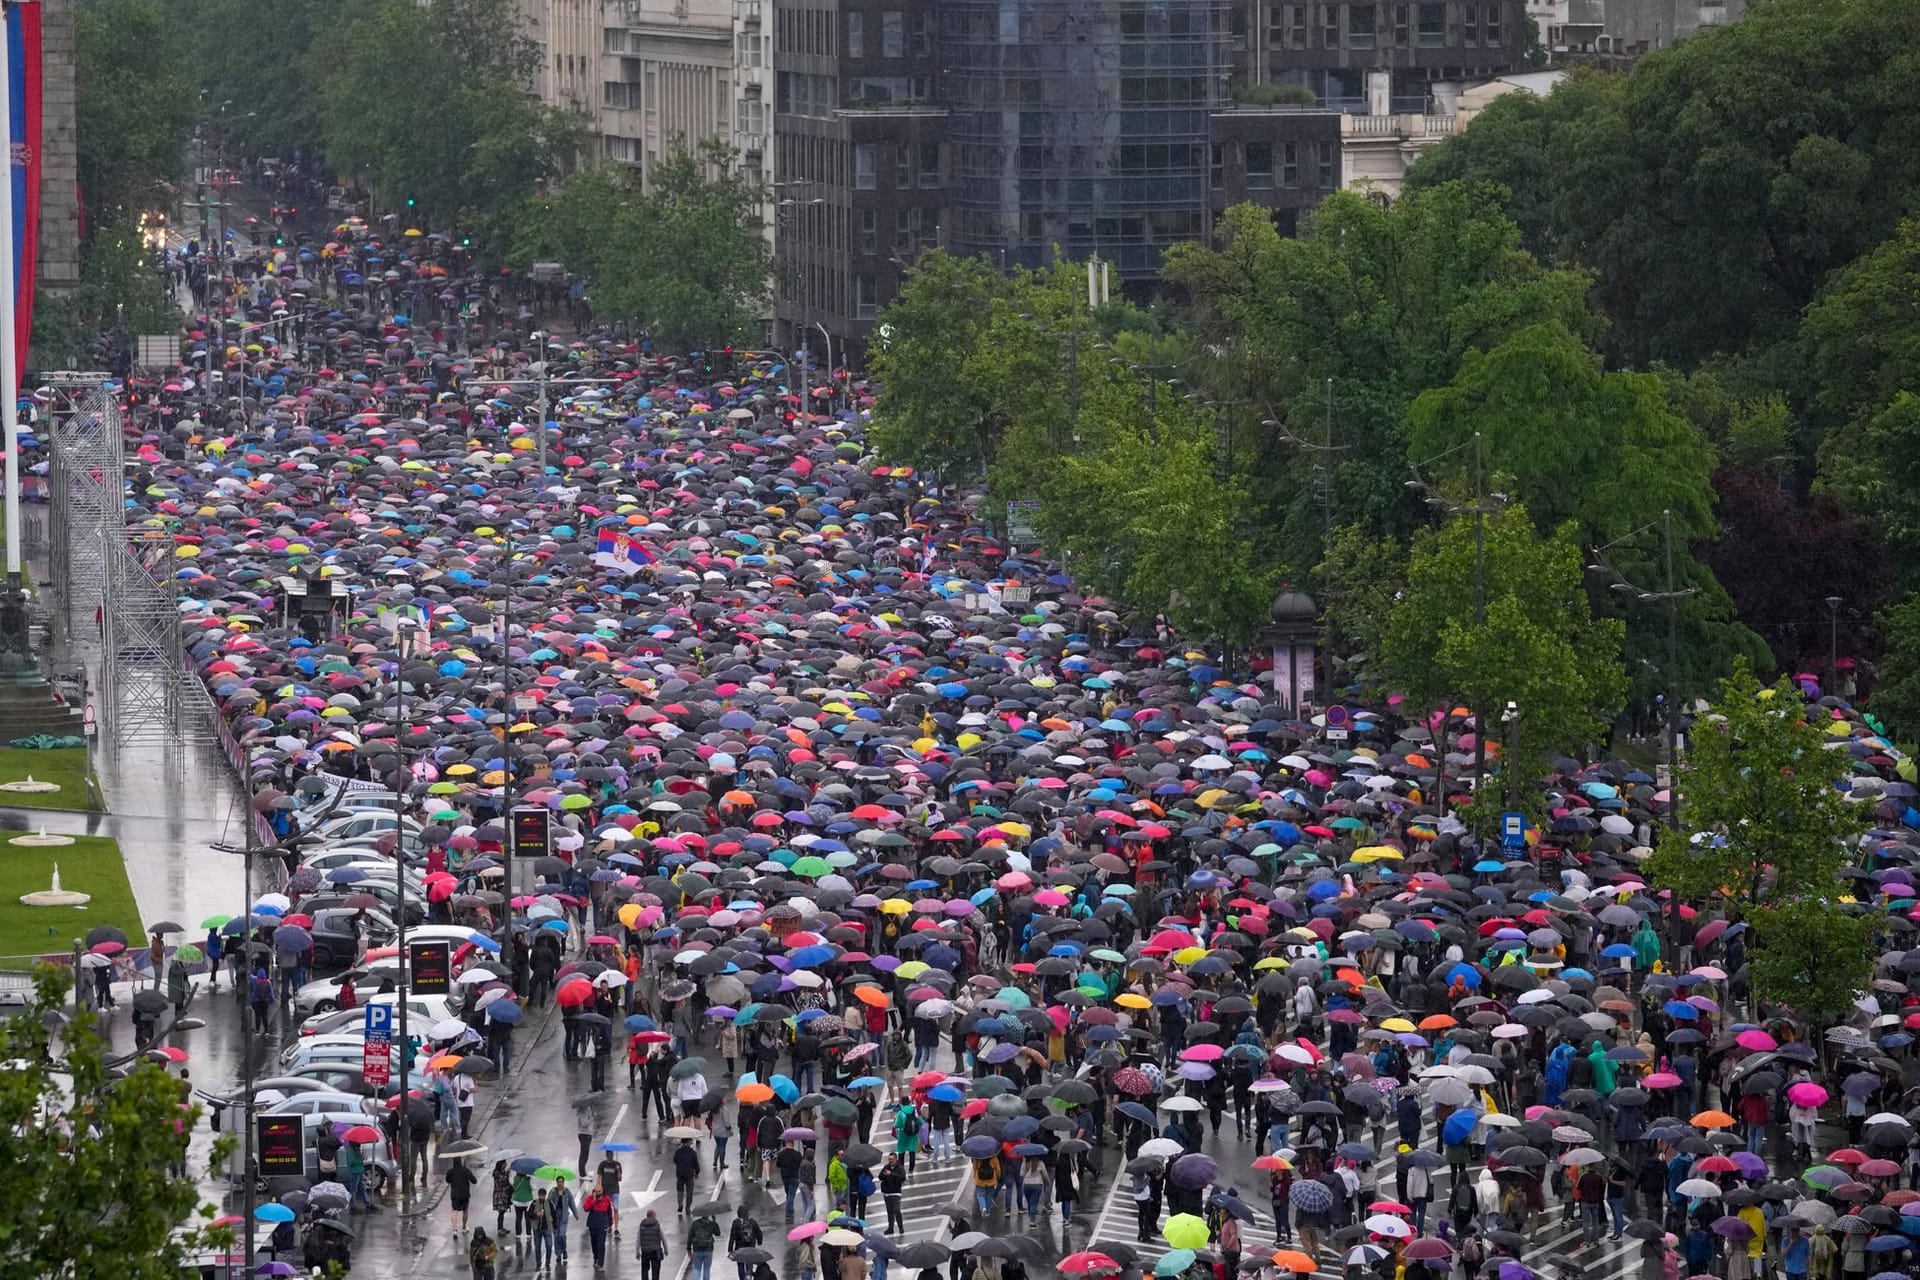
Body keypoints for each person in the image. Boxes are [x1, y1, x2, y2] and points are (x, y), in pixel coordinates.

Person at [583, 1179, 615, 1272]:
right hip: (593, 1224)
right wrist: (594, 1200)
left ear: (603, 1191)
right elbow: (586, 1208)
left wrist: (610, 1224)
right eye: (596, 1192)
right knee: (594, 1243)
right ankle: (596, 1258)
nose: (598, 1193)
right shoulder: (590, 1198)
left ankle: (600, 1263)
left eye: (599, 1192)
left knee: (601, 1245)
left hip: (603, 1225)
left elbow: (609, 1212)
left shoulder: (607, 1199)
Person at [728, 1205, 763, 1280]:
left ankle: (742, 1278)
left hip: (739, 1249)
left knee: (740, 1266)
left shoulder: (736, 1222)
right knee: (749, 1266)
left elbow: (732, 1236)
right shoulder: (752, 1221)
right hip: (750, 1248)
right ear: (747, 1213)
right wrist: (759, 1241)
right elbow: (759, 1233)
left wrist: (730, 1249)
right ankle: (748, 1278)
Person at [549, 1174, 577, 1267]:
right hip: (555, 1216)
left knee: (562, 1234)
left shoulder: (567, 1192)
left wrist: (575, 1214)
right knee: (556, 1236)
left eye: (562, 1182)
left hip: (564, 1216)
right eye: (559, 1182)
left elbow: (571, 1202)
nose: (560, 1183)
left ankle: (564, 1250)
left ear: (564, 1182)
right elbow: (548, 1203)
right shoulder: (553, 1191)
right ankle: (558, 1254)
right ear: (556, 1182)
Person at [635, 1207, 667, 1280]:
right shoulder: (657, 1224)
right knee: (655, 1271)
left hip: (645, 1251)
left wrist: (637, 1252)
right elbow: (663, 1238)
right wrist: (666, 1250)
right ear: (653, 1216)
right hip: (655, 1251)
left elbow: (638, 1239)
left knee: (644, 1270)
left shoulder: (641, 1225)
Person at [688, 1206, 720, 1280]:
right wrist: (714, 1221)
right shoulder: (711, 1224)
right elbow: (718, 1233)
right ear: (708, 1215)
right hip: (708, 1250)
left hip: (697, 1249)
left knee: (697, 1268)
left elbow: (690, 1236)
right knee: (706, 1269)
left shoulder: (695, 1224)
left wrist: (689, 1248)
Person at [447, 1158, 478, 1233]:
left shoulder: (450, 1171)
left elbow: (447, 1180)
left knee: (454, 1211)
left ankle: (455, 1230)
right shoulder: (466, 1170)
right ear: (461, 1162)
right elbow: (474, 1181)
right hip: (465, 1194)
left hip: (455, 1195)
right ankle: (464, 1227)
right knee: (465, 1210)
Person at [530, 1186, 556, 1273]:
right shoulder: (534, 1203)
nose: (542, 1197)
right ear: (538, 1195)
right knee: (537, 1247)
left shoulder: (549, 1203)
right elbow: (528, 1214)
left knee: (549, 1245)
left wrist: (554, 1225)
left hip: (547, 1228)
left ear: (545, 1196)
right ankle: (538, 1263)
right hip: (537, 1228)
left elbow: (554, 1214)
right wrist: (536, 1214)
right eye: (540, 1196)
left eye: (543, 1196)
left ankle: (548, 1262)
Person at [881, 1153, 908, 1234]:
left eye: (892, 1159)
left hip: (896, 1192)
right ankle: (890, 1228)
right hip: (887, 1193)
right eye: (889, 1159)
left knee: (897, 1210)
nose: (890, 1161)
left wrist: (891, 1174)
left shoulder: (900, 1168)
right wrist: (883, 1174)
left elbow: (902, 1177)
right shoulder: (886, 1167)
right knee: (889, 1212)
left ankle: (901, 1227)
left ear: (896, 1159)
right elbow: (880, 1177)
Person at [491, 1160, 514, 1234]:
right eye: (504, 1164)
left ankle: (501, 1227)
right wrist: (507, 1174)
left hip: (504, 1195)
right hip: (499, 1195)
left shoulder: (502, 1172)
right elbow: (502, 1182)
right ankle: (499, 1229)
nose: (506, 1165)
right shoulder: (496, 1173)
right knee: (501, 1212)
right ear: (500, 1164)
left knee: (503, 1212)